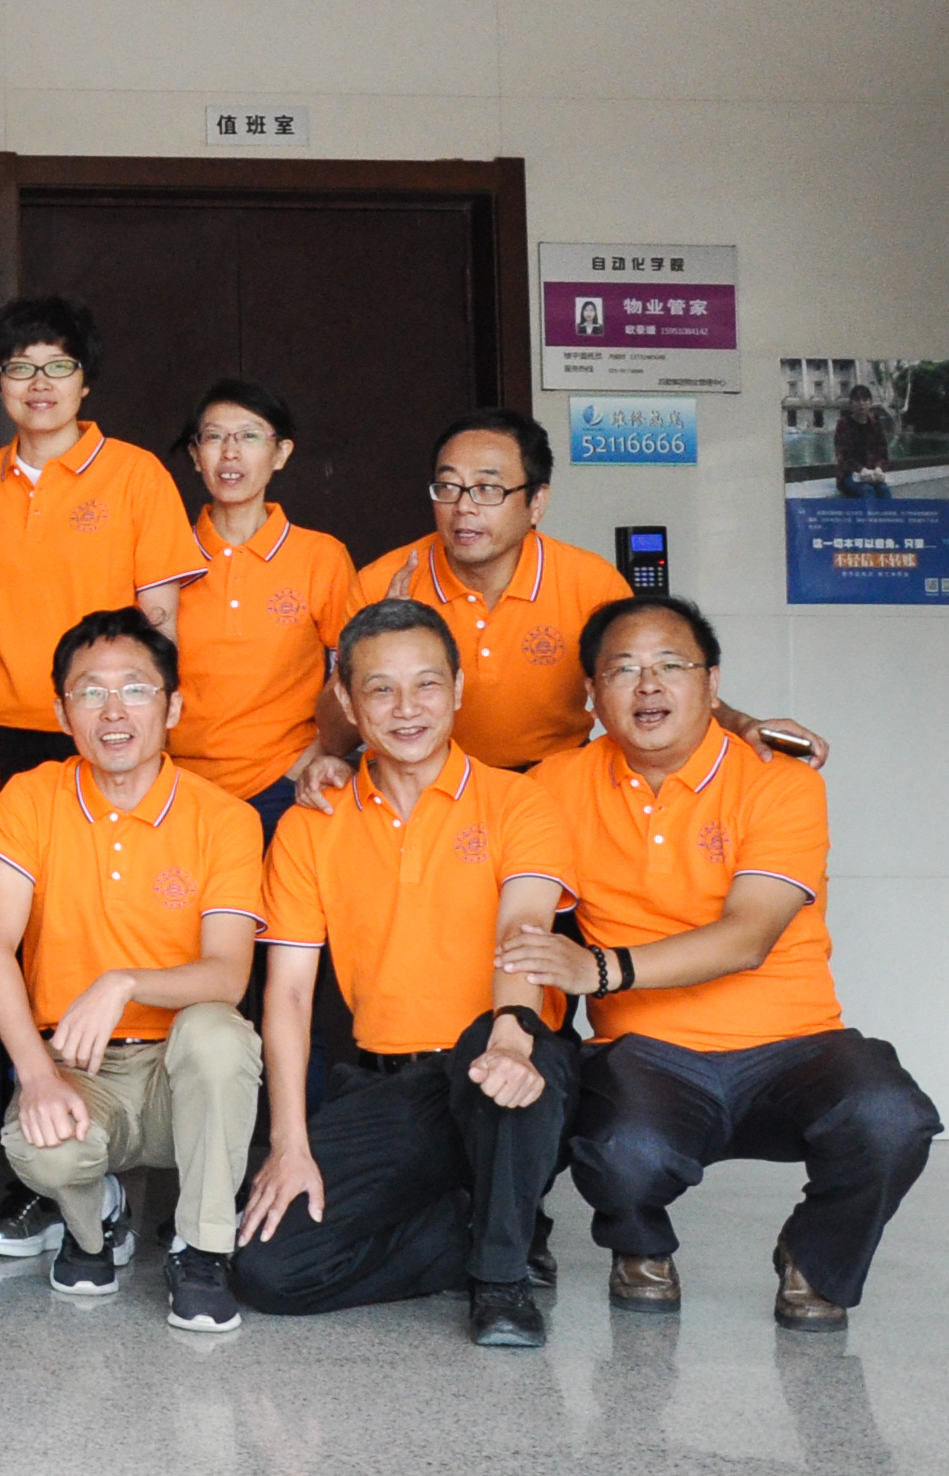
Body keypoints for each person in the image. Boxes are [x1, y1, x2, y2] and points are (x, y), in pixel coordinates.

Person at [519, 596, 933, 1331]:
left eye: (670, 666)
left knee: (889, 1116)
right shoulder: (554, 785)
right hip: (648, 1051)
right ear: (591, 693)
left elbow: (748, 936)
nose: (648, 686)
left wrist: (599, 970)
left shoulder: (780, 781)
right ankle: (639, 1246)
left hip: (795, 1045)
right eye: (623, 670)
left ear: (712, 684)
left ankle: (816, 1259)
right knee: (620, 1149)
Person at [230, 598, 580, 1347]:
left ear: (458, 688)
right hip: (391, 1086)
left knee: (497, 1067)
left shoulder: (519, 802)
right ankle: (467, 1229)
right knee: (266, 1270)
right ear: (346, 701)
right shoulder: (312, 823)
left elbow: (523, 930)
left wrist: (512, 1032)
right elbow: (286, 994)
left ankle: (502, 1280)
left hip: (507, 1062)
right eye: (380, 689)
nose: (406, 708)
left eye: (426, 684)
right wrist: (288, 1143)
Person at [0, 609, 266, 1331]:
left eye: (135, 689)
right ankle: (92, 1223)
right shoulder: (30, 798)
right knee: (39, 1146)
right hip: (79, 1069)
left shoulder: (224, 818)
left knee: (219, 1034)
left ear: (173, 707)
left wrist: (124, 981)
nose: (112, 712)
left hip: (176, 1076)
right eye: (90, 692)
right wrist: (36, 1076)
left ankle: (201, 1251)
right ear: (60, 714)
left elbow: (227, 974)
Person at [317, 409, 824, 784]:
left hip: (550, 784)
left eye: (488, 490)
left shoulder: (590, 583)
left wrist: (742, 724)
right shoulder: (383, 582)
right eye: (448, 487)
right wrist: (379, 637)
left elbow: (653, 686)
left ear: (537, 502)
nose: (464, 508)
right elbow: (336, 736)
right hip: (420, 785)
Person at [0, 297, 200, 780]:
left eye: (58, 366)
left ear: (85, 381)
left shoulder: (136, 474)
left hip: (103, 724)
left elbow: (160, 622)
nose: (39, 383)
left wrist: (154, 726)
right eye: (20, 367)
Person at [163, 380, 356, 838]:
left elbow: (357, 672)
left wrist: (319, 754)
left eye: (249, 436)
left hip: (285, 785)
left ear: (280, 453)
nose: (230, 452)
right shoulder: (164, 553)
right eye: (214, 437)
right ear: (196, 455)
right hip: (178, 787)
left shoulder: (320, 556)